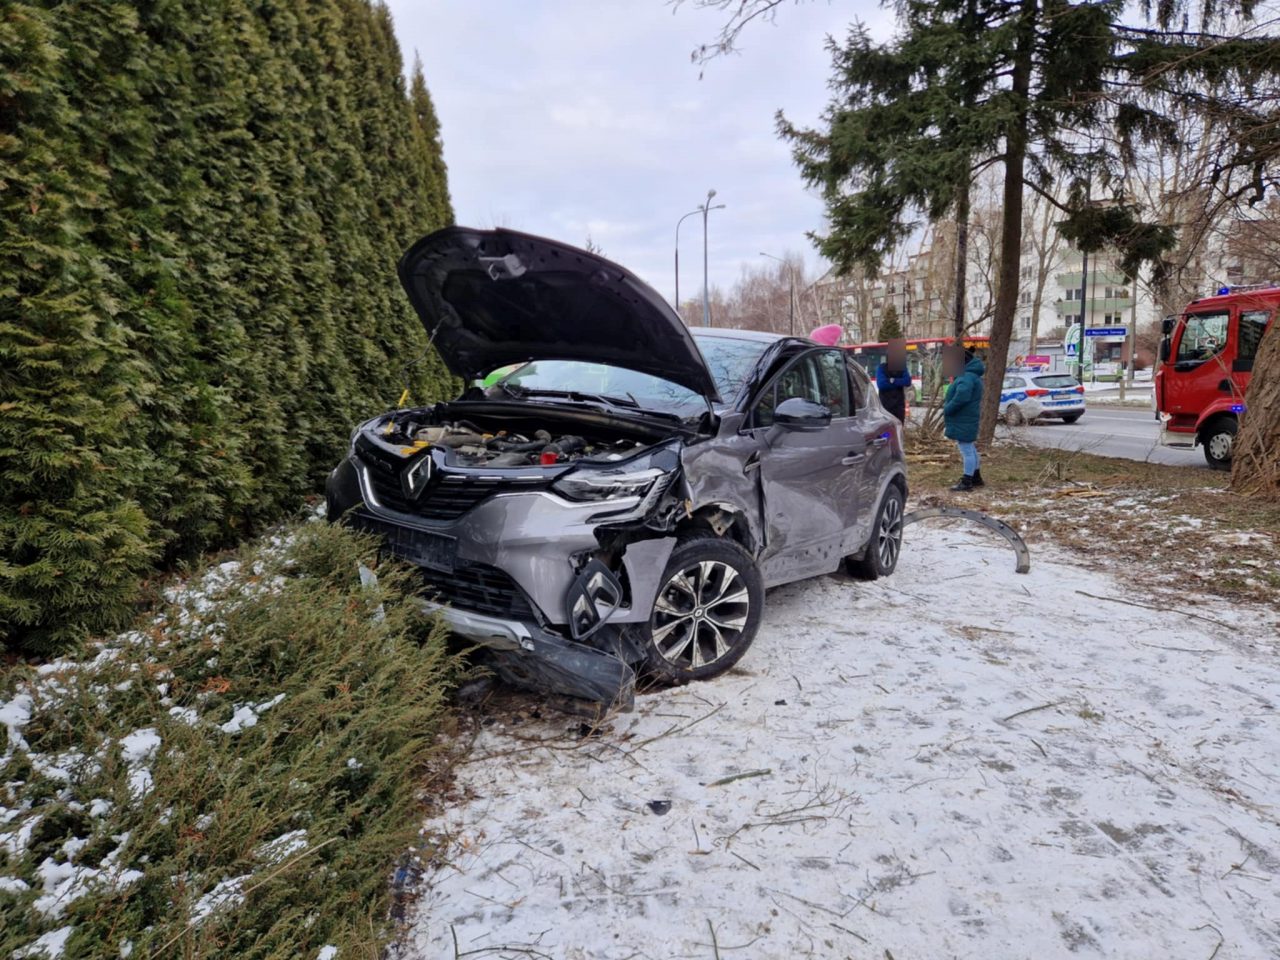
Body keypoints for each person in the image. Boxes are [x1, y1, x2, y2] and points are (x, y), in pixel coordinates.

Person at [942, 344, 985, 491]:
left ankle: (967, 481)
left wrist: (948, 408)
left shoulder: (966, 377)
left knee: (966, 449)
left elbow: (962, 396)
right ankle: (976, 477)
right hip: (968, 417)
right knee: (970, 447)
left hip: (963, 418)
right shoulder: (972, 375)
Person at [875, 339, 912, 423]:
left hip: (899, 407)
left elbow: (907, 381)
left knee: (899, 429)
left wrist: (892, 380)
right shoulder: (882, 368)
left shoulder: (902, 368)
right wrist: (899, 382)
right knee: (886, 431)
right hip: (885, 406)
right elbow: (881, 385)